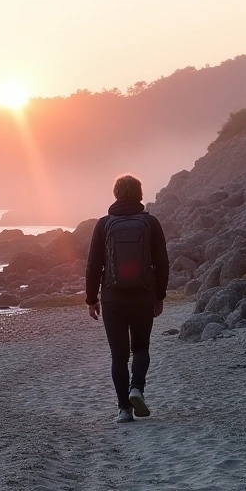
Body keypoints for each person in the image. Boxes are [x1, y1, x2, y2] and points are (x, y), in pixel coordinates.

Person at [85, 174, 169, 423]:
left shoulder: (104, 224)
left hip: (113, 299)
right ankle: (137, 389)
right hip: (143, 296)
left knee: (119, 356)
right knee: (141, 347)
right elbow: (162, 263)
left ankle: (124, 409)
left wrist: (91, 299)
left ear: (116, 194)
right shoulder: (150, 223)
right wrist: (159, 296)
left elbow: (93, 265)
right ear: (139, 194)